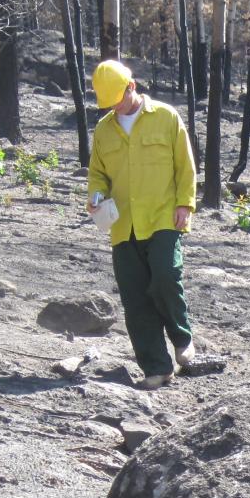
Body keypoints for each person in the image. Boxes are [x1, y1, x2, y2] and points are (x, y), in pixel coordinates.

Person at [87, 60, 197, 389]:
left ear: (132, 88)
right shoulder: (104, 130)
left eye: (117, 100)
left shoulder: (165, 118)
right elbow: (98, 174)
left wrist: (185, 204)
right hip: (123, 225)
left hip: (163, 215)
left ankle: (182, 337)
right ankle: (157, 367)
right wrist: (95, 196)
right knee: (134, 298)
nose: (114, 108)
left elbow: (185, 165)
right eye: (108, 104)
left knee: (165, 275)